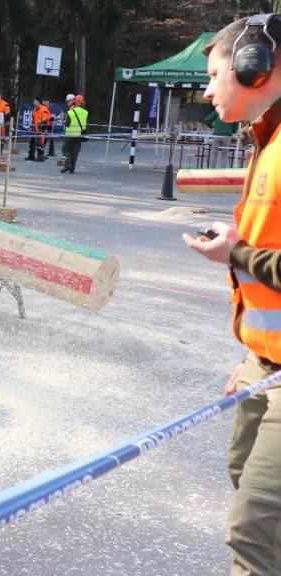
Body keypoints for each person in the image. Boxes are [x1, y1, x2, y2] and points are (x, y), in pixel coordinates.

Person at [182, 14, 281, 575]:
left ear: (254, 67)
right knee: (246, 479)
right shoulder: (267, 141)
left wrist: (236, 254)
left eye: (214, 74)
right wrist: (255, 355)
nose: (206, 90)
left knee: (254, 532)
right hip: (265, 365)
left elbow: (254, 257)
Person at [61, 95, 87, 174]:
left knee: (65, 149)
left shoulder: (70, 112)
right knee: (75, 152)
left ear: (74, 102)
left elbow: (67, 124)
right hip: (79, 136)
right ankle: (72, 169)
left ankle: (68, 164)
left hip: (70, 135)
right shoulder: (85, 112)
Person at [27, 97, 50, 162]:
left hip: (41, 130)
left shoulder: (44, 109)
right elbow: (33, 119)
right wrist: (31, 127)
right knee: (32, 142)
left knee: (39, 143)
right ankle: (31, 156)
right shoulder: (35, 109)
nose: (33, 102)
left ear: (38, 102)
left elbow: (45, 120)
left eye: (34, 101)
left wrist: (41, 128)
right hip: (35, 129)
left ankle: (40, 157)